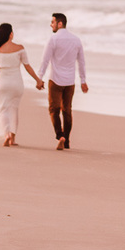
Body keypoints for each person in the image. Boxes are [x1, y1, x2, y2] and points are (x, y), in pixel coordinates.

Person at [0, 23, 44, 147]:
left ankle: (6, 134)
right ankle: (12, 138)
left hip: (2, 84)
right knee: (14, 109)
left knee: (3, 109)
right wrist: (38, 80)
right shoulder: (20, 48)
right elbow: (27, 66)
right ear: (11, 34)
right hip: (16, 84)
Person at [38, 12, 88, 150]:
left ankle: (60, 135)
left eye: (52, 22)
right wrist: (83, 80)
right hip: (70, 81)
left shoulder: (53, 39)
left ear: (60, 23)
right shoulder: (76, 40)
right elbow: (81, 62)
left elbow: (45, 60)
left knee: (54, 109)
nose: (51, 24)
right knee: (67, 110)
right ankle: (66, 140)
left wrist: (39, 78)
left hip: (55, 80)